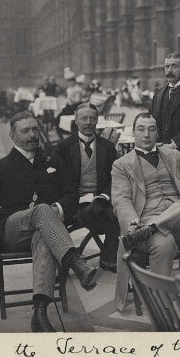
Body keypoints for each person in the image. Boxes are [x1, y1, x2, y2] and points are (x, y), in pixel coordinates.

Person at [0, 112, 98, 332]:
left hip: (46, 232)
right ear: (12, 136)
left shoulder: (54, 162)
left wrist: (58, 208)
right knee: (41, 210)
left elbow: (71, 195)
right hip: (11, 232)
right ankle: (75, 262)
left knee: (44, 238)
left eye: (35, 129)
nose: (33, 135)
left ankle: (39, 314)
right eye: (25, 131)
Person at [110, 112, 180, 312]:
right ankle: (161, 304)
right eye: (141, 129)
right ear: (133, 133)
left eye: (151, 129)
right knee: (164, 243)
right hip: (144, 222)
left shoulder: (174, 156)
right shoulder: (121, 165)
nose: (146, 134)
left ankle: (153, 228)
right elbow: (121, 199)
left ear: (158, 133)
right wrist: (132, 223)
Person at [53, 102, 120, 272]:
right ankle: (103, 253)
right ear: (75, 120)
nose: (88, 122)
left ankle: (108, 258)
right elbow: (57, 179)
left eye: (92, 118)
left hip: (100, 200)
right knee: (101, 214)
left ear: (98, 120)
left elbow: (116, 178)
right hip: (74, 201)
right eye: (83, 118)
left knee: (117, 213)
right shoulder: (63, 147)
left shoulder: (108, 146)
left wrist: (104, 196)